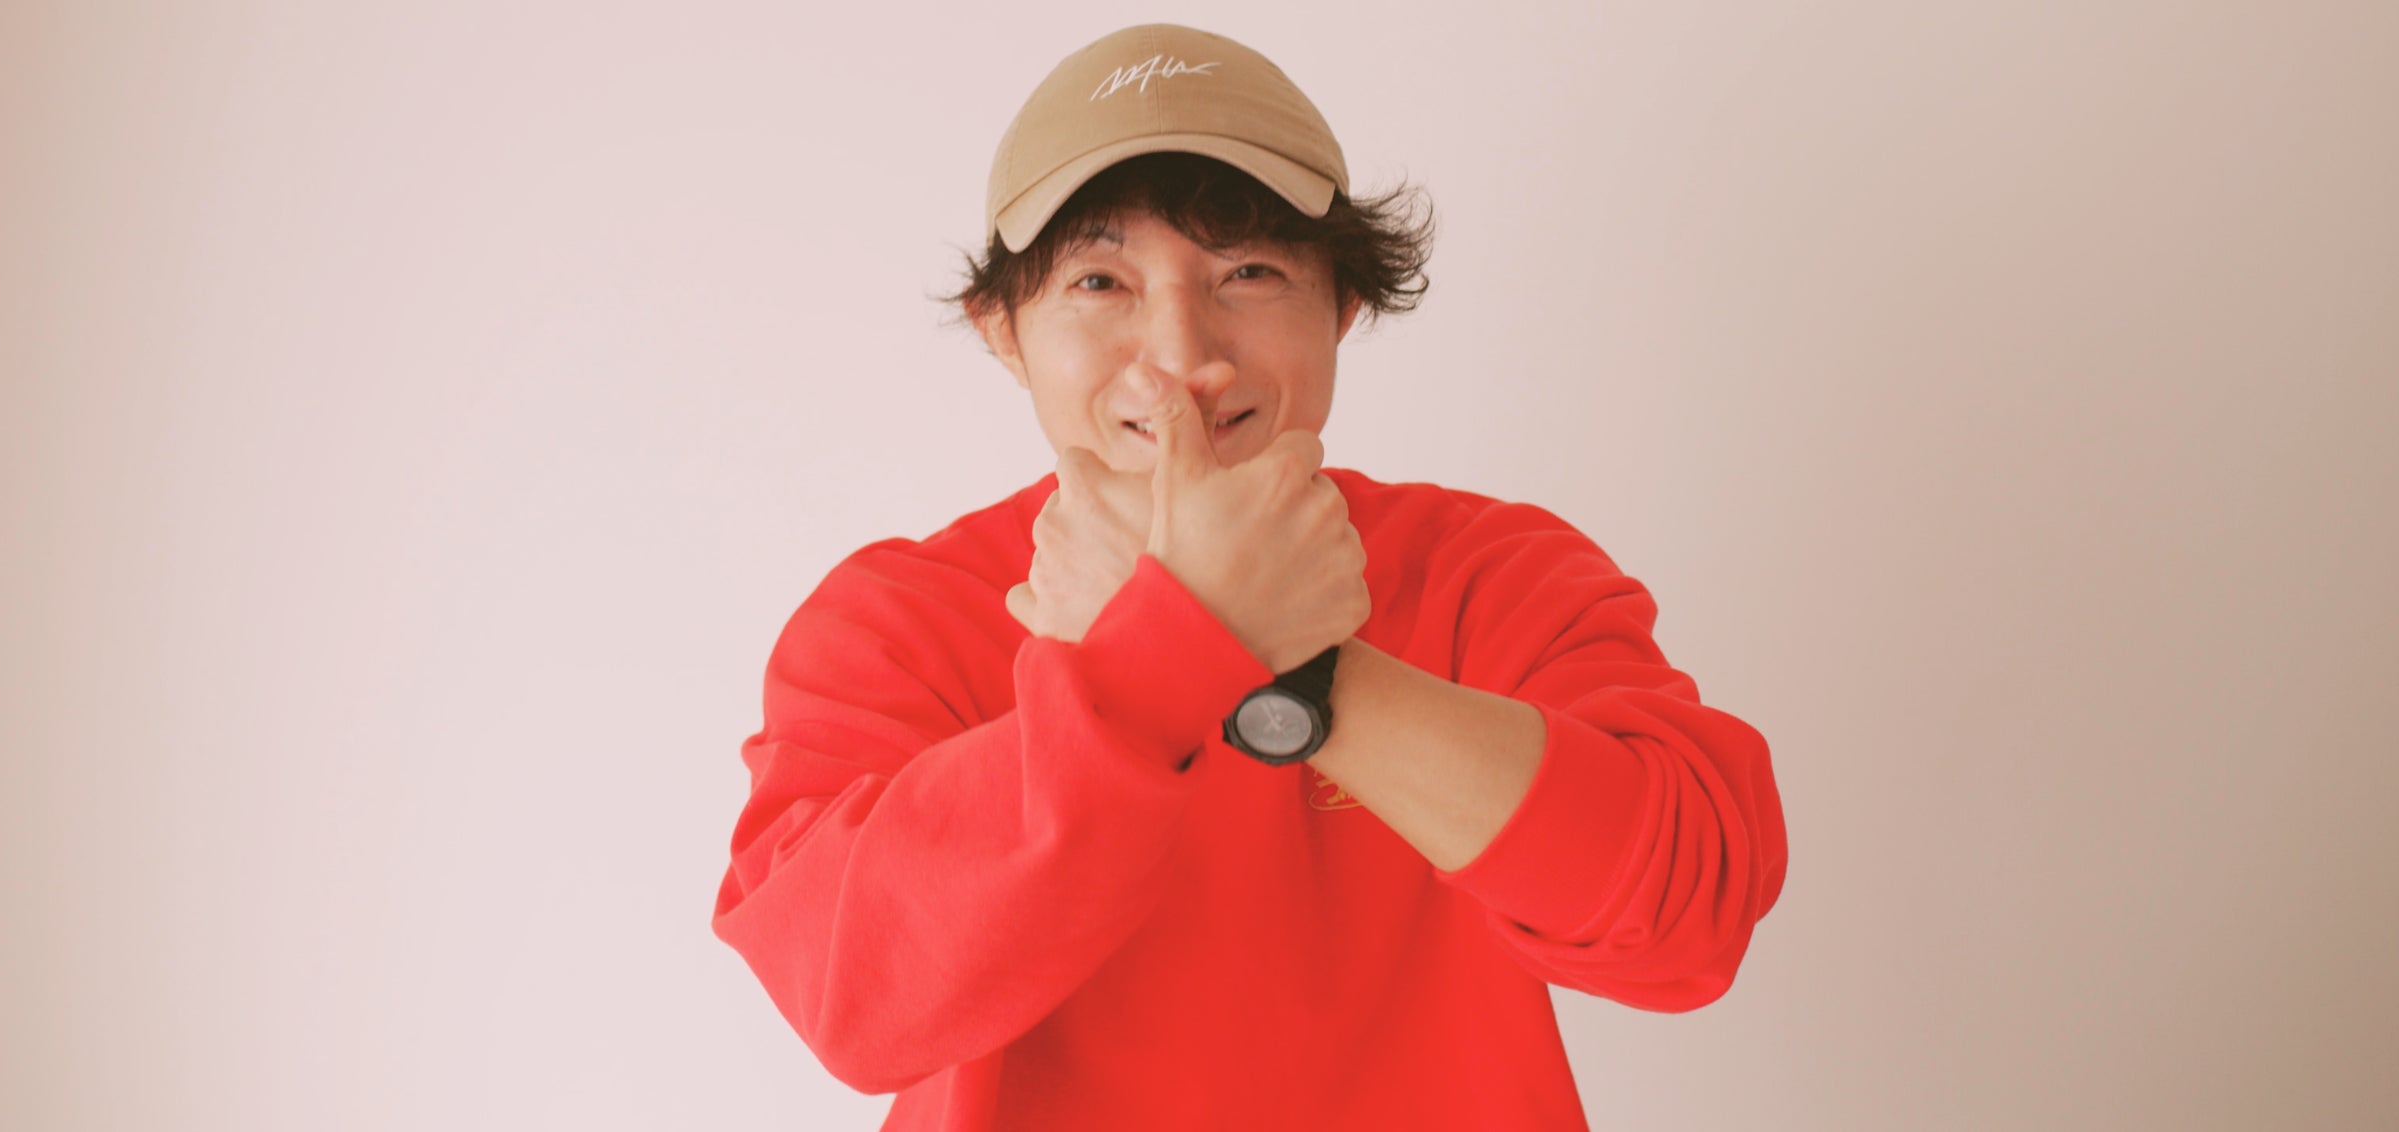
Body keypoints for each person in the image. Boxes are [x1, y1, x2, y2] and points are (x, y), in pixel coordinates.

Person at [710, 23, 1788, 1131]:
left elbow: (1684, 917)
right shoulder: (898, 624)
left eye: (1249, 273)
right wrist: (1160, 661)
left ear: (1344, 308)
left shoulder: (1489, 574)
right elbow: (855, 998)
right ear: (1003, 332)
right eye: (1099, 280)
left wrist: (1281, 662)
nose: (1183, 356)